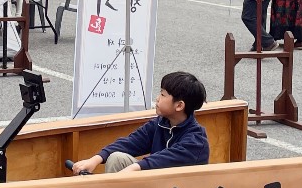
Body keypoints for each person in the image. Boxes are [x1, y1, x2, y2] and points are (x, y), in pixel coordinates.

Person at [70, 72, 209, 174]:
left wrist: (133, 168)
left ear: (179, 106)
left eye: (162, 94)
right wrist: (95, 159)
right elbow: (130, 142)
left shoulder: (196, 140)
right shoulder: (159, 124)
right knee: (117, 158)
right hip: (156, 183)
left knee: (132, 167)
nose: (157, 98)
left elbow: (163, 160)